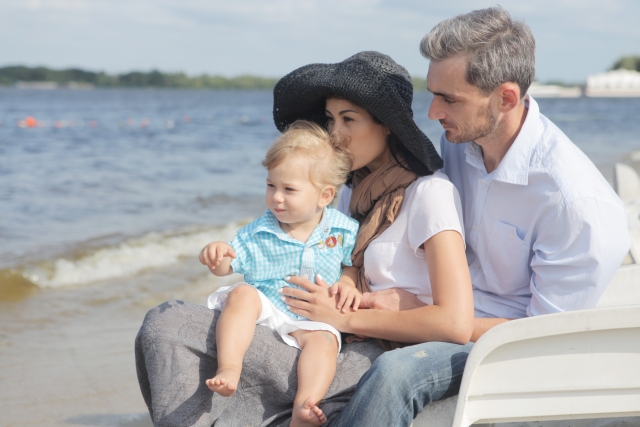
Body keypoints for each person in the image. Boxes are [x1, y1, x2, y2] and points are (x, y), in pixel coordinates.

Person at [278, 7, 631, 426]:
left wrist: (418, 315)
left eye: (449, 99)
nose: (432, 112)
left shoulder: (577, 204)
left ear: (506, 98)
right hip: (436, 315)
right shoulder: (460, 143)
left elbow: (543, 336)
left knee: (394, 374)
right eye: (433, 93)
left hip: (501, 346)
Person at [135, 50, 474, 427]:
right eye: (330, 119)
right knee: (166, 325)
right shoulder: (348, 192)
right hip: (314, 328)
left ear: (388, 125)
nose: (334, 133)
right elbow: (339, 260)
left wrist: (344, 318)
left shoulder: (429, 193)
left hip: (362, 350)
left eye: (348, 119)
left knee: (170, 327)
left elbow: (454, 323)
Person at [198, 120, 360, 427]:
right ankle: (229, 367)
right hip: (268, 306)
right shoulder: (259, 231)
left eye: (289, 189)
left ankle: (305, 406)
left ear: (324, 196)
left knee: (325, 341)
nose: (276, 197)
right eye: (271, 185)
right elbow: (227, 266)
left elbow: (351, 263)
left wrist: (349, 282)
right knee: (242, 293)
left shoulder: (342, 230)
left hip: (311, 317)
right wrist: (217, 255)